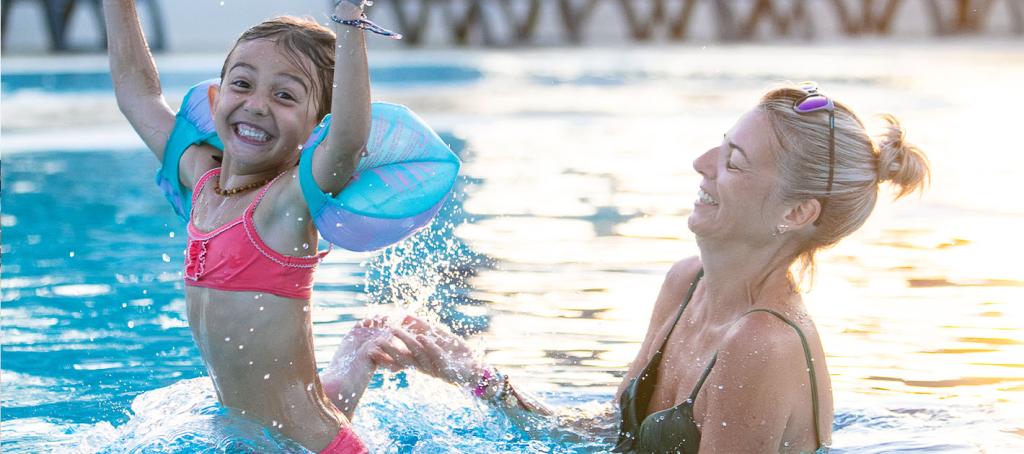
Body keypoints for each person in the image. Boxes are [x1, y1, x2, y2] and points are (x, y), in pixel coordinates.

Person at [376, 83, 930, 452]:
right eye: (721, 145)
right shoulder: (687, 283)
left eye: (733, 161)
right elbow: (607, 434)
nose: (702, 164)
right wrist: (478, 377)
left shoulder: (762, 345)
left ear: (797, 212)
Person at [102, 1, 417, 452]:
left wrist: (348, 22)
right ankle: (354, 363)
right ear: (216, 100)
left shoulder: (284, 206)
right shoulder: (202, 185)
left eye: (285, 95)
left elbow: (347, 141)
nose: (256, 105)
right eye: (243, 84)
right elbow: (137, 94)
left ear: (314, 132)